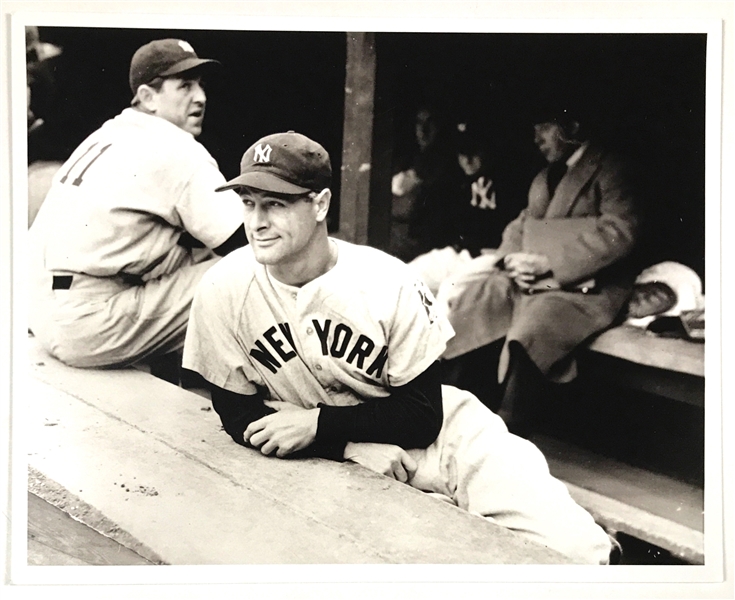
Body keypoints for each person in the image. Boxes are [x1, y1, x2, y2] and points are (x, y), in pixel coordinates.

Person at [182, 131, 615, 564]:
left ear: (320, 204)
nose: (256, 222)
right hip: (348, 450)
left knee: (576, 550)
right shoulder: (223, 288)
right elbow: (238, 414)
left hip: (443, 437)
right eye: (248, 203)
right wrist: (345, 449)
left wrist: (320, 427)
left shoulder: (389, 281)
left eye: (275, 204)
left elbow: (423, 416)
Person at [28, 38, 246, 371]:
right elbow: (245, 242)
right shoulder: (175, 147)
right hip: (89, 323)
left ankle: (178, 371)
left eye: (200, 85)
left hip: (39, 308)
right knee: (252, 270)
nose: (200, 96)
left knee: (189, 251)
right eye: (184, 86)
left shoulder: (108, 133)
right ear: (147, 96)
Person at [440, 102, 642, 438]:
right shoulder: (544, 177)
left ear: (574, 128)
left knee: (536, 323)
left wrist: (551, 264)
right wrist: (509, 261)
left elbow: (620, 231)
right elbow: (521, 225)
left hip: (589, 286)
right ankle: (449, 411)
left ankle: (507, 428)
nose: (537, 138)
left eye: (545, 127)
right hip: (534, 281)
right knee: (478, 296)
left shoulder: (610, 169)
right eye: (535, 129)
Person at [407, 124, 528, 296]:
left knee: (449, 292)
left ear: (487, 151)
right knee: (402, 279)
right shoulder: (455, 182)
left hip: (490, 259)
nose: (467, 160)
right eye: (462, 154)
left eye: (474, 154)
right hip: (460, 254)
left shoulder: (510, 184)